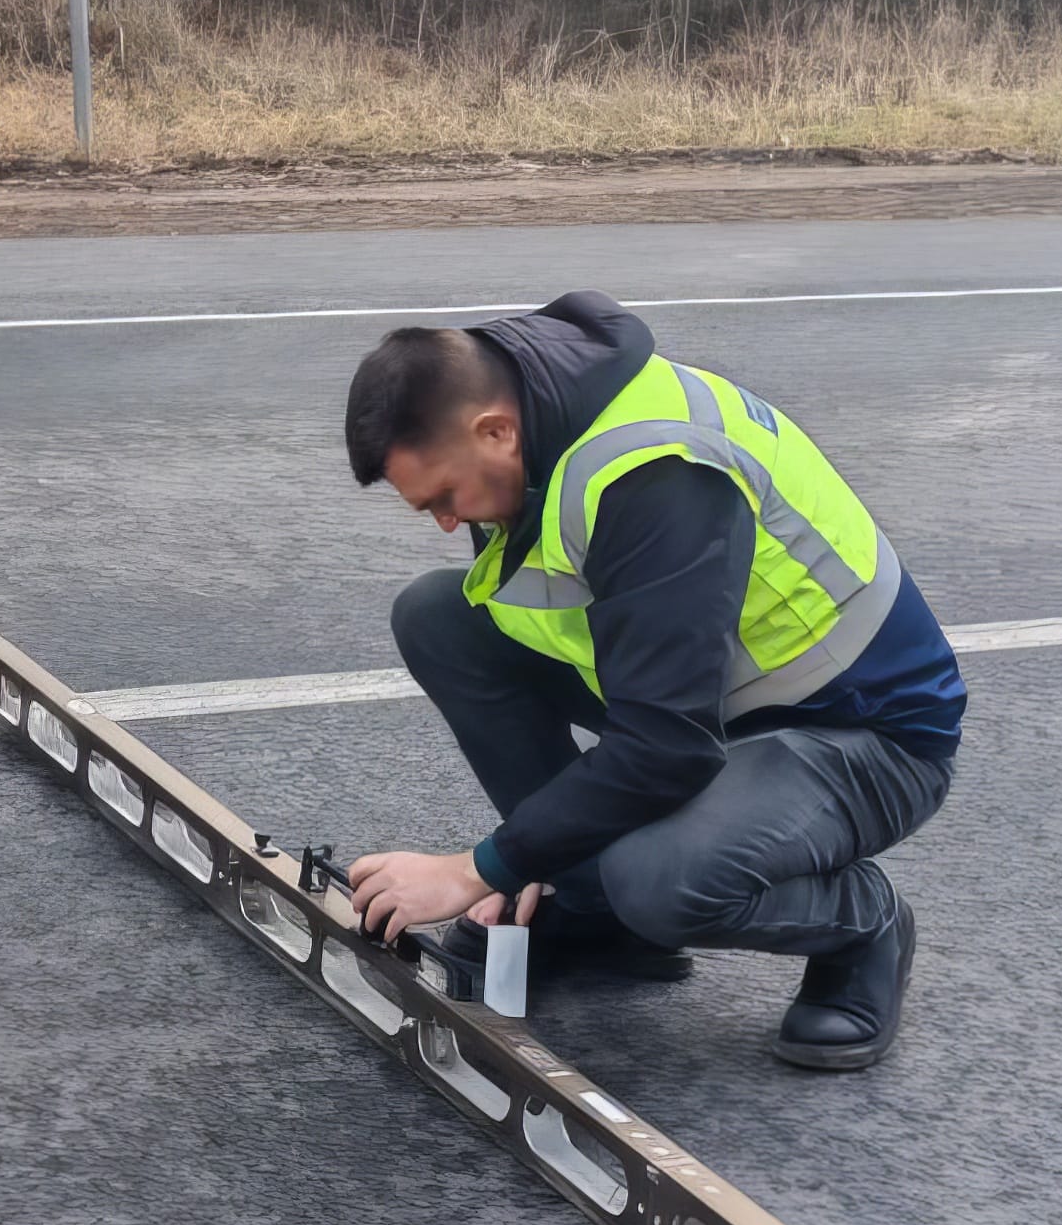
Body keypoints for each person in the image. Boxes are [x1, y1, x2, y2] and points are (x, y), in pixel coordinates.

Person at [337, 292, 966, 1070]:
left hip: (861, 730)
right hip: (715, 702)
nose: (445, 521)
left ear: (495, 429)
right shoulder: (532, 420)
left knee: (658, 878)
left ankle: (866, 925)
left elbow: (666, 745)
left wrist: (483, 867)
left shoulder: (656, 475)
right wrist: (542, 857)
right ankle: (591, 908)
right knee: (438, 618)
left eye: (443, 496)